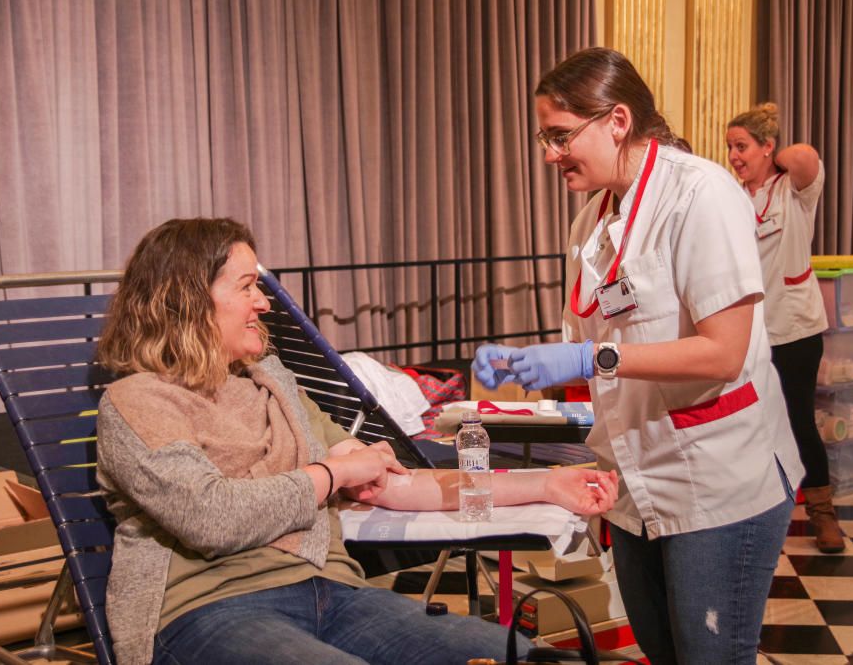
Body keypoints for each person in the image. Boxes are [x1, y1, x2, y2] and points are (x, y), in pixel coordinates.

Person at [95, 217, 618, 665]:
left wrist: (548, 484)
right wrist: (332, 475)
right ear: (187, 299)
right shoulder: (139, 402)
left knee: (518, 656)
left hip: (334, 591)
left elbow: (398, 485)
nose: (263, 303)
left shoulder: (270, 382)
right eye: (248, 286)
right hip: (208, 607)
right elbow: (211, 518)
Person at [473, 48, 803, 664]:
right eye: (544, 136)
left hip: (718, 477)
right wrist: (526, 364)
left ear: (617, 120)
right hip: (635, 483)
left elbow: (723, 353)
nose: (549, 153)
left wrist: (588, 361)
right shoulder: (589, 222)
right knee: (662, 651)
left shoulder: (700, 195)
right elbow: (595, 337)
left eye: (560, 135)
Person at [726, 103, 842, 553]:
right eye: (730, 148)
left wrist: (773, 152)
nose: (735, 156)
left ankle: (822, 513)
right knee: (750, 425)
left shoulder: (793, 189)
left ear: (767, 148)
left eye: (743, 146)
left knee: (797, 420)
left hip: (795, 327)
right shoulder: (734, 198)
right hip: (750, 332)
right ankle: (759, 515)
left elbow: (805, 155)